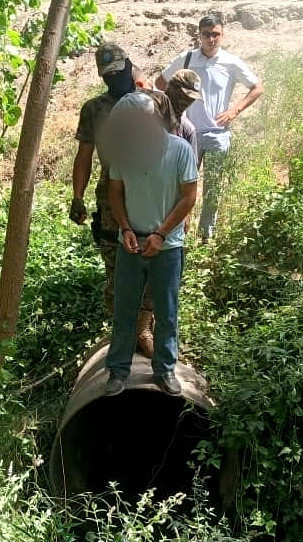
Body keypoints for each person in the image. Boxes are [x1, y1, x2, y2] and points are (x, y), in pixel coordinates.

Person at [103, 91, 198, 396]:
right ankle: (118, 371)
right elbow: (115, 193)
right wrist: (126, 228)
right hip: (130, 244)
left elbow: (189, 197)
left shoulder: (180, 149)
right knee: (124, 309)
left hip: (167, 248)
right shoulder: (123, 153)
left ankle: (165, 370)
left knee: (167, 311)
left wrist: (161, 234)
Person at [70, 43, 158, 357]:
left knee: (150, 265)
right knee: (117, 270)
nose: (114, 80)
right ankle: (124, 329)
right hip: (110, 202)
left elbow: (177, 146)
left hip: (149, 198)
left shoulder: (151, 103)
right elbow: (84, 157)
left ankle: (145, 327)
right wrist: (77, 197)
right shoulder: (95, 108)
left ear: (129, 66)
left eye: (119, 72)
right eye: (108, 76)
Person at [156, 14, 265, 242]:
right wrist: (175, 111)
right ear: (199, 35)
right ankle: (177, 233)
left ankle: (207, 237)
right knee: (181, 184)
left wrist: (234, 110)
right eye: (206, 34)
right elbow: (161, 82)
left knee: (213, 187)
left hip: (217, 134)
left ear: (222, 34)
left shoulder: (230, 61)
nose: (211, 39)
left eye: (215, 34)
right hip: (187, 133)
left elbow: (256, 87)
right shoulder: (186, 59)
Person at [164, 69, 201, 157]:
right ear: (172, 89)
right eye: (183, 96)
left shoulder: (187, 130)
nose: (186, 102)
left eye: (191, 99)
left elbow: (190, 168)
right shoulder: (147, 113)